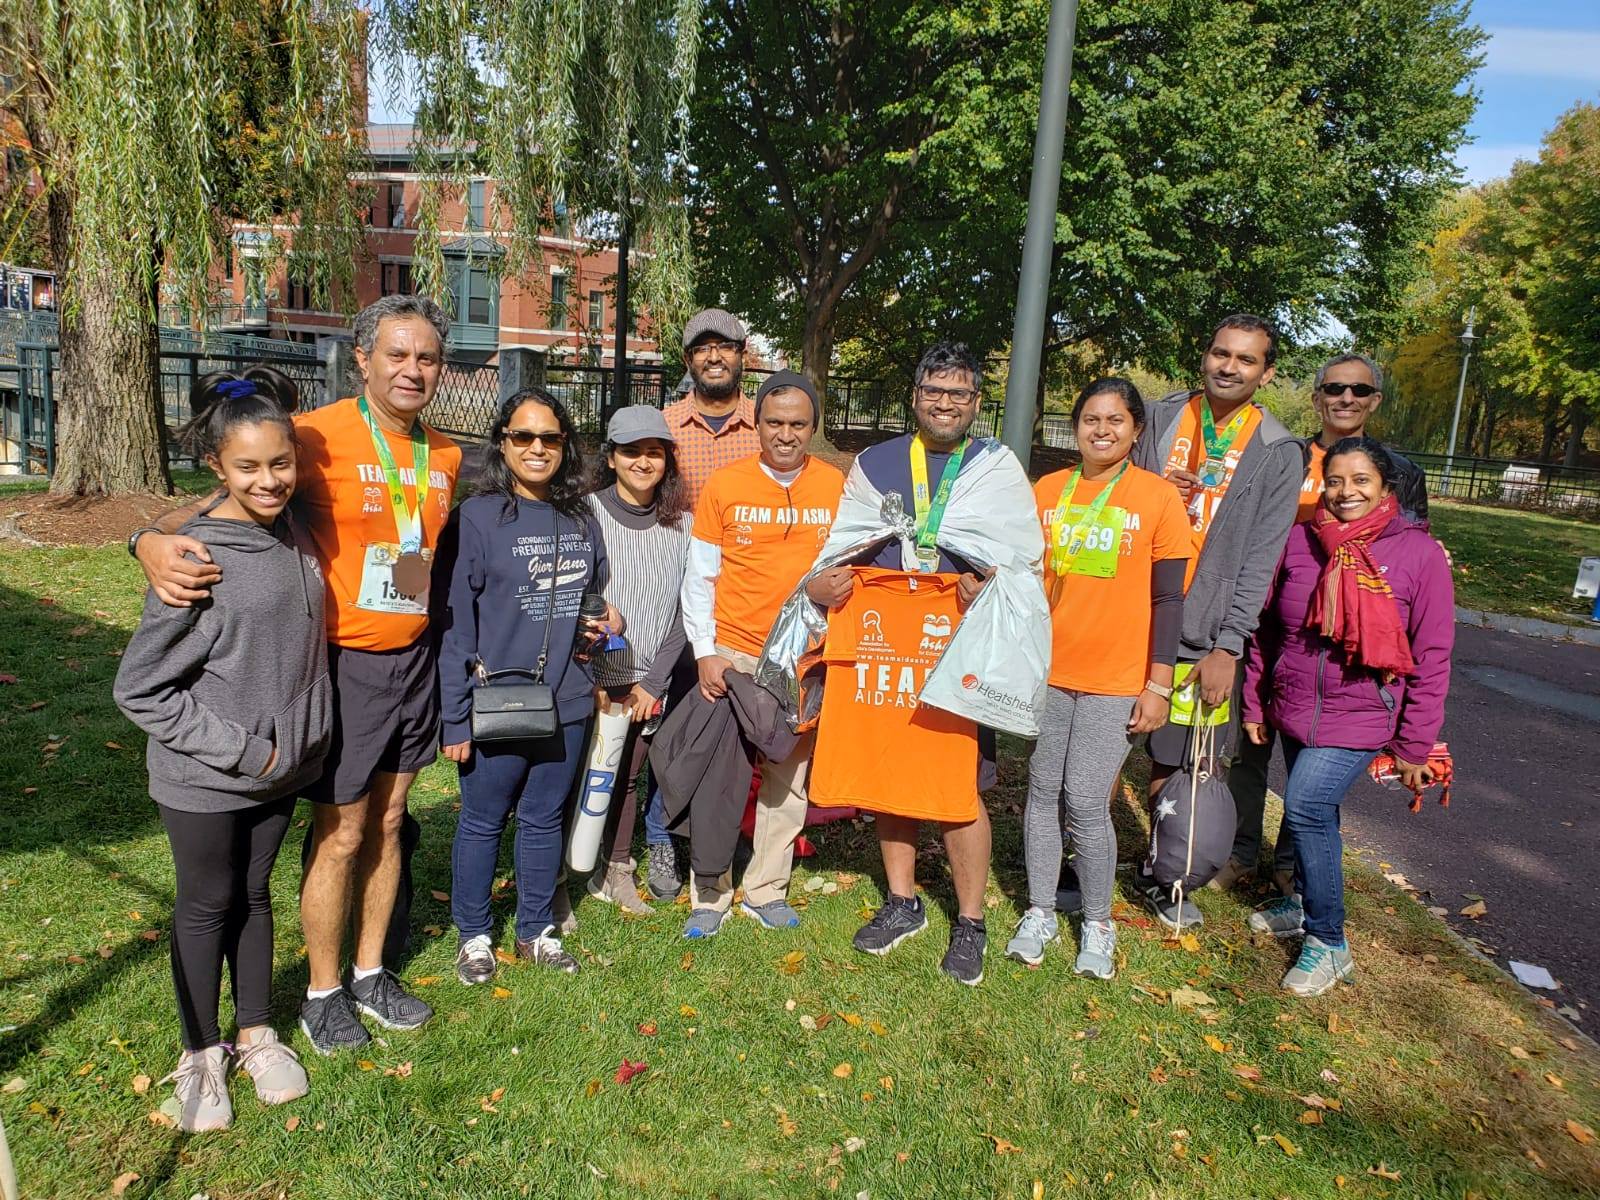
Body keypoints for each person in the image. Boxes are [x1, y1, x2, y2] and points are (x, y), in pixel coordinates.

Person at [134, 295, 463, 1053]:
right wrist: (147, 539)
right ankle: (322, 991)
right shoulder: (314, 436)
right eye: (397, 354)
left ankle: (371, 971)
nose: (412, 370)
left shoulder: (445, 454)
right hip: (342, 663)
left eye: (427, 357)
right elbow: (223, 499)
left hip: (413, 659)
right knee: (341, 833)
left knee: (390, 822)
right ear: (363, 360)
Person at [113, 369, 326, 1131]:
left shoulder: (294, 527)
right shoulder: (197, 558)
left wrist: (290, 747)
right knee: (207, 904)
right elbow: (140, 689)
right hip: (207, 775)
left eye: (281, 463)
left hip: (282, 767)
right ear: (217, 466)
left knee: (256, 895)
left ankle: (256, 1032)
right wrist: (245, 751)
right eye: (248, 466)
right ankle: (201, 1053)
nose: (268, 480)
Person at [807, 342, 1039, 987]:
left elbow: (1022, 560)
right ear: (915, 397)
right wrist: (821, 585)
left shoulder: (996, 467)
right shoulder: (875, 463)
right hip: (888, 640)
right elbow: (842, 547)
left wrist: (984, 587)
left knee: (961, 785)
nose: (945, 403)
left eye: (959, 393)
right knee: (893, 769)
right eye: (934, 390)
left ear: (975, 402)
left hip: (961, 646)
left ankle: (970, 921)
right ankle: (903, 900)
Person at [1240, 438, 1453, 995]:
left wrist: (1414, 744)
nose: (1345, 492)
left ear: (1384, 488)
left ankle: (1329, 942)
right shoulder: (1299, 541)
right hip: (1294, 706)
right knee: (1317, 812)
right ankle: (1302, 902)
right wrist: (1256, 700)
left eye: (1360, 480)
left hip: (1362, 713)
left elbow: (1432, 656)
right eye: (1334, 480)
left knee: (1306, 805)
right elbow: (1267, 630)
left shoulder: (1419, 555)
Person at [1220, 352, 1429, 893]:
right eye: (1334, 388)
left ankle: (1291, 864)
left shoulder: (1401, 472)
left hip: (1339, 642)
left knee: (1309, 767)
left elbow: (1409, 547)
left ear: (1374, 400)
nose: (1346, 398)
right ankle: (1241, 851)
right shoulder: (1283, 457)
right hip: (1270, 614)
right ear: (1317, 397)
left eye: (1358, 390)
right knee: (1249, 745)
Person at [1006, 378, 1190, 977]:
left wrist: (1158, 684)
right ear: (1076, 426)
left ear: (1137, 430)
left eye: (1115, 420)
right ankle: (1039, 910)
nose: (1102, 430)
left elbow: (1169, 600)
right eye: (1090, 419)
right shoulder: (1048, 490)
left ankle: (1097, 922)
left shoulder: (1158, 498)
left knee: (1086, 800)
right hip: (1050, 672)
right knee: (1042, 791)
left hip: (1117, 678)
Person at [438, 388, 619, 983]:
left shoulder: (580, 516)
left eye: (550, 438)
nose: (537, 448)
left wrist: (605, 618)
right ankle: (474, 934)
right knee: (483, 820)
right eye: (523, 436)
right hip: (498, 701)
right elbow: (455, 625)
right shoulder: (477, 518)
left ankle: (536, 928)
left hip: (567, 698)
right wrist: (454, 716)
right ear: (503, 442)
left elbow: (592, 594)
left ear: (565, 446)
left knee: (543, 818)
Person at [1130, 314, 1303, 931]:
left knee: (1178, 760)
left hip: (1201, 632)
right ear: (1205, 356)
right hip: (1129, 613)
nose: (1229, 367)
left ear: (1266, 373)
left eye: (1246, 359)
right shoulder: (1158, 417)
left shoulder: (1278, 450)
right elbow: (1114, 488)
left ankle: (1162, 874)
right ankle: (1078, 860)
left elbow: (1262, 556)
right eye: (1221, 353)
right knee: (1099, 751)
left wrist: (1229, 646)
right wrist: (1154, 489)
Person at [679, 369, 845, 938]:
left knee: (788, 778)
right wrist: (705, 651)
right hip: (735, 654)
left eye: (798, 424)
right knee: (720, 779)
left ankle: (766, 888)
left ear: (813, 427)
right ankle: (710, 892)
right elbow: (700, 577)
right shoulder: (725, 485)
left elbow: (847, 569)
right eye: (774, 422)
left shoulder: (836, 487)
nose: (785, 434)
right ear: (757, 424)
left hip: (803, 658)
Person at [648, 308, 761, 898]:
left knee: (733, 726)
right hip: (673, 602)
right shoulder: (667, 426)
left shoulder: (767, 425)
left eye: (726, 347)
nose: (714, 356)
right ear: (688, 359)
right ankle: (661, 836)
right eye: (702, 348)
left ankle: (724, 830)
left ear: (744, 356)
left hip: (745, 607)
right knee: (669, 724)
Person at [583, 406, 694, 915]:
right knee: (586, 772)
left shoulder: (683, 524)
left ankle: (617, 867)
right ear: (611, 457)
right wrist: (604, 677)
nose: (643, 462)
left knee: (628, 774)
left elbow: (685, 612)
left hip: (652, 680)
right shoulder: (586, 513)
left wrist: (653, 682)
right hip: (594, 675)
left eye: (654, 452)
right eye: (631, 451)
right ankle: (566, 869)